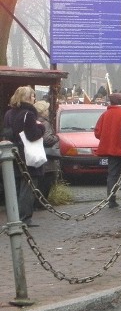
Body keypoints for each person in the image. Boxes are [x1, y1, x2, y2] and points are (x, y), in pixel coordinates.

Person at [3, 86, 46, 227]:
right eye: (33, 96)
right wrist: (41, 128)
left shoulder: (9, 113)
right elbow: (32, 135)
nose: (35, 98)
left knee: (15, 186)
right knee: (28, 185)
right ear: (27, 98)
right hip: (27, 155)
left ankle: (15, 216)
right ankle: (25, 217)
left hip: (14, 153)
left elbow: (7, 133)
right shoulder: (29, 114)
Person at [94, 93, 121, 210]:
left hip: (110, 150)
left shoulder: (105, 114)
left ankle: (111, 200)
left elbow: (98, 133)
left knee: (112, 175)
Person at [33, 100, 60, 203]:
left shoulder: (34, 121)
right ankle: (41, 203)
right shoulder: (45, 123)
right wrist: (56, 138)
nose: (48, 111)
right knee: (46, 182)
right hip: (47, 157)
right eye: (47, 109)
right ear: (43, 111)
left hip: (38, 156)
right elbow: (47, 139)